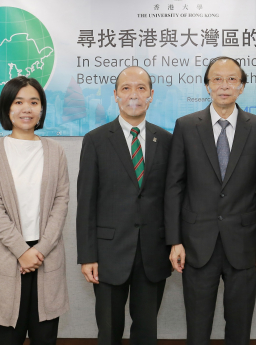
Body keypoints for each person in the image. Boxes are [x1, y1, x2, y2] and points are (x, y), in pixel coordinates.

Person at [164, 56, 256, 345]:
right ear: (207, 86)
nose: (224, 85)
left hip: (245, 242)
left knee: (239, 327)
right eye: (217, 79)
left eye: (231, 80)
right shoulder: (187, 126)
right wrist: (174, 240)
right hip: (196, 243)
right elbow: (174, 186)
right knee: (197, 327)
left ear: (241, 87)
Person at [77, 66, 172, 345]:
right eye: (126, 88)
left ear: (151, 95)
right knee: (109, 331)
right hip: (108, 254)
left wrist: (175, 243)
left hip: (153, 253)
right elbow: (86, 202)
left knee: (146, 332)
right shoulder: (95, 140)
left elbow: (172, 197)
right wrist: (87, 255)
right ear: (116, 95)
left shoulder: (166, 139)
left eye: (141, 88)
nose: (134, 95)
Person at [0, 76, 70, 345]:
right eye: (18, 102)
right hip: (9, 256)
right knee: (9, 336)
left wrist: (38, 251)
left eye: (34, 102)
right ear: (7, 109)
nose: (26, 108)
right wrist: (22, 251)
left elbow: (61, 203)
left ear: (42, 109)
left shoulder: (56, 152)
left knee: (45, 336)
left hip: (46, 257)